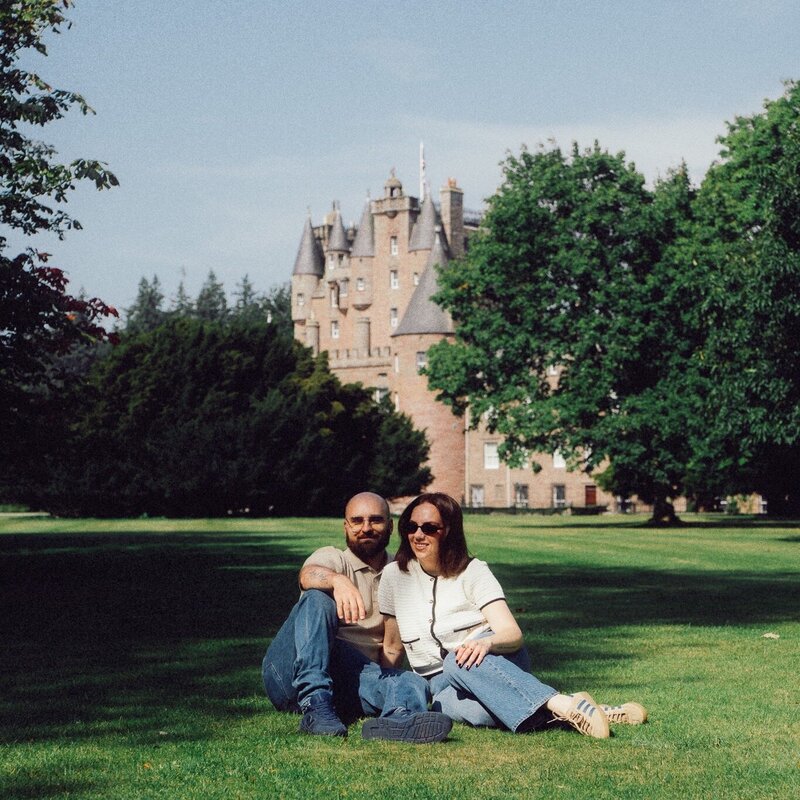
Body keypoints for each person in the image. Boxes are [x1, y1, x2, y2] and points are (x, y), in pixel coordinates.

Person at [378, 492, 648, 738]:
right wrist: (388, 693)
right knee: (479, 714)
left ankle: (563, 705)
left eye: (429, 528)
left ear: (448, 531)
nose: (418, 535)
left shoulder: (473, 571)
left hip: (494, 661)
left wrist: (485, 642)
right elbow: (391, 646)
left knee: (457, 660)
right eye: (411, 527)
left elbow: (512, 634)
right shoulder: (393, 576)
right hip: (438, 684)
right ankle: (583, 710)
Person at [261, 491, 452, 743]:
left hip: (352, 679)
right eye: (357, 521)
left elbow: (392, 649)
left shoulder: (401, 573)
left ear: (390, 525)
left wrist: (389, 685)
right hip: (291, 676)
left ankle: (399, 719)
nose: (366, 528)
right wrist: (336, 580)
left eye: (375, 520)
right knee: (317, 598)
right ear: (346, 526)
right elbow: (307, 576)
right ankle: (314, 702)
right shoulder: (334, 559)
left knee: (410, 680)